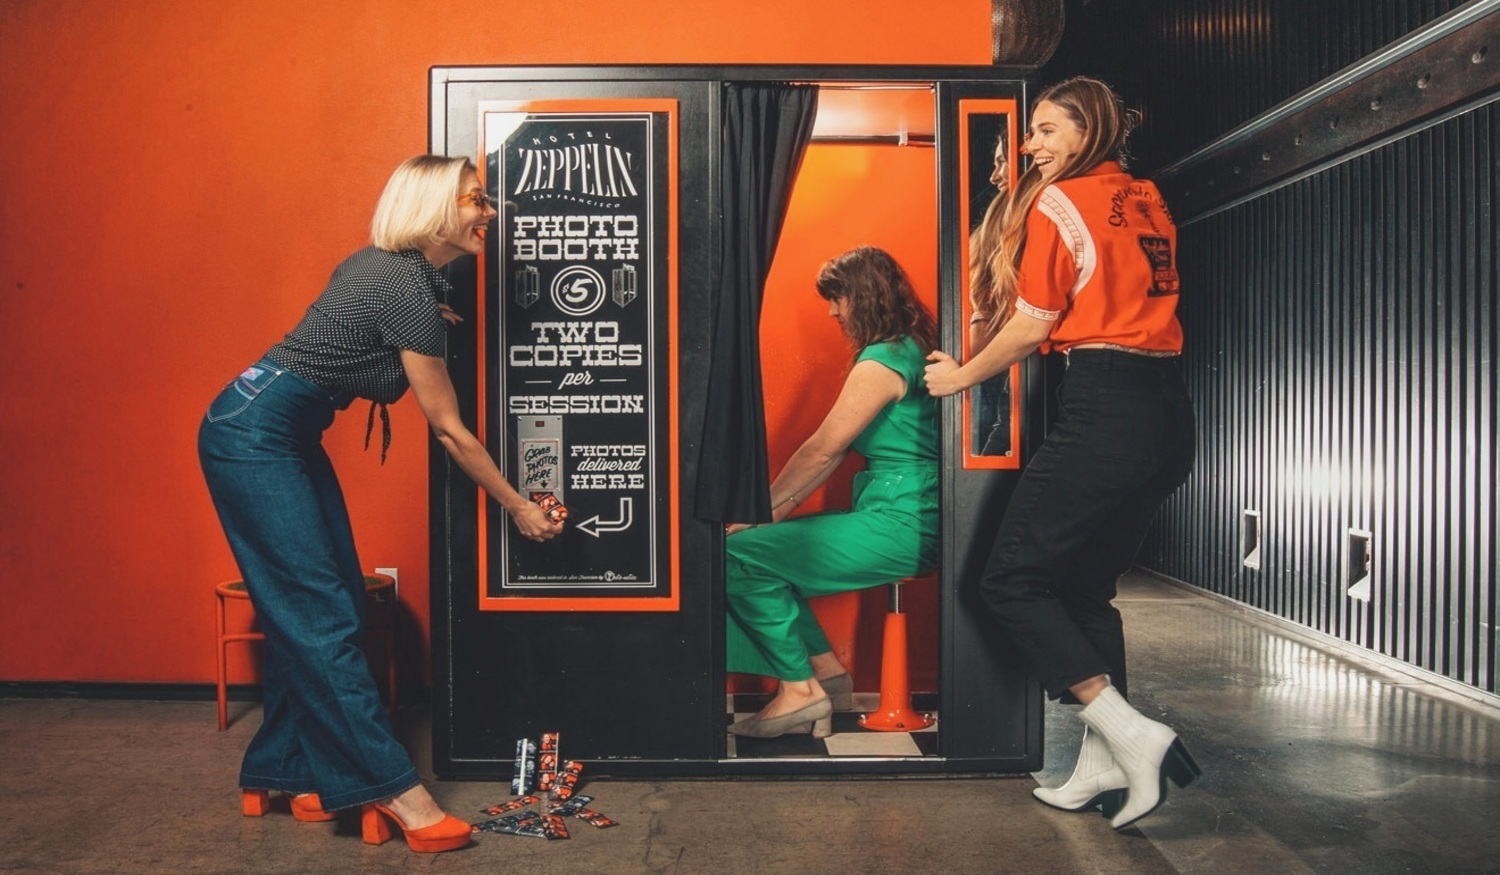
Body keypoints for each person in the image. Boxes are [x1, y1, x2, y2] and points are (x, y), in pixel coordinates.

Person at [198, 155, 564, 853]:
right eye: (475, 201)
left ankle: (286, 769)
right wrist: (517, 504)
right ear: (433, 209)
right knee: (323, 612)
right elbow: (452, 433)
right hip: (253, 435)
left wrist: (428, 315)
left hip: (272, 422)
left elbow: (350, 322)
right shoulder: (405, 291)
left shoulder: (389, 271)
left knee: (323, 601)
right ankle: (392, 788)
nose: (489, 213)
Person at [924, 77, 1200, 829]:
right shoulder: (1146, 195)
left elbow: (1030, 325)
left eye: (1048, 132)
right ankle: (1104, 764)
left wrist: (960, 375)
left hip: (1105, 401)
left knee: (1010, 580)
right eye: (1032, 133)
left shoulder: (1059, 200)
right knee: (1083, 591)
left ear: (1087, 132)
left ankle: (1134, 734)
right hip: (1168, 411)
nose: (1032, 145)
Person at [724, 246, 940, 739]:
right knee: (761, 561)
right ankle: (828, 679)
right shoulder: (911, 345)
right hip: (907, 509)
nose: (832, 311)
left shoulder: (884, 359)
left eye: (837, 298)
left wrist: (765, 512)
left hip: (903, 519)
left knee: (734, 558)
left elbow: (823, 449)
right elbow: (834, 454)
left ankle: (801, 691)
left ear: (863, 296)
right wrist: (770, 513)